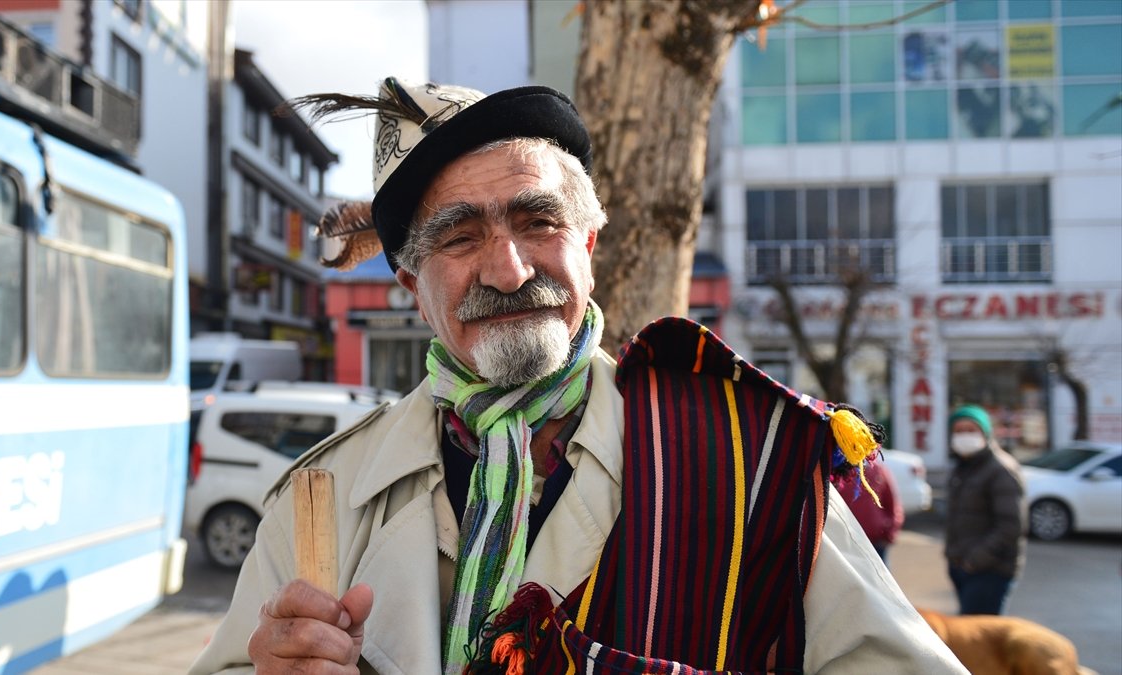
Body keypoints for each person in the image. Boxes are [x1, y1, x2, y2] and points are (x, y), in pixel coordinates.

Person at [189, 77, 965, 674]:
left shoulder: (740, 457)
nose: (510, 266)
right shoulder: (320, 497)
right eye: (458, 238)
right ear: (411, 288)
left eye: (538, 221)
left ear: (589, 243)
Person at [944, 404, 1026, 616]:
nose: (964, 436)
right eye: (959, 431)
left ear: (986, 433)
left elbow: (1010, 527)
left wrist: (975, 560)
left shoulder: (1000, 469)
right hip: (963, 566)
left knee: (979, 642)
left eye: (971, 430)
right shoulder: (964, 467)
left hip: (990, 570)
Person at [835, 455, 904, 564]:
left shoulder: (879, 471)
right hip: (848, 542)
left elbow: (893, 505)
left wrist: (889, 533)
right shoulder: (840, 473)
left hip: (876, 542)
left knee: (880, 578)